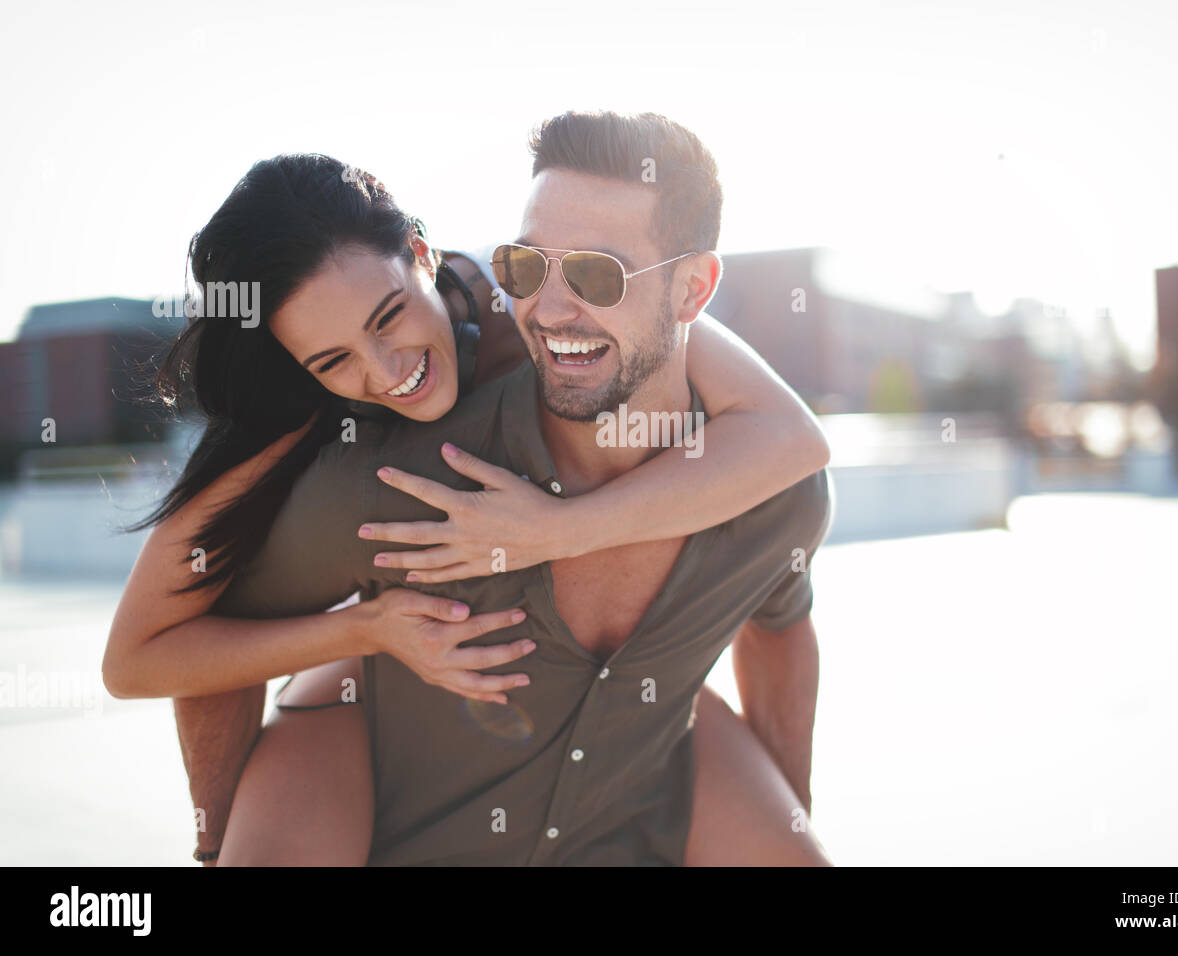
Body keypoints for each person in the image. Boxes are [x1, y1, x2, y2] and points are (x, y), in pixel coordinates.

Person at [105, 111, 833, 865]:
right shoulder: (322, 441)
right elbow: (171, 641)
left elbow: (788, 437)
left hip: (640, 721)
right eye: (335, 360)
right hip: (361, 697)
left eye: (389, 316)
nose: (387, 372)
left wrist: (560, 528)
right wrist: (222, 837)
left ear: (425, 257)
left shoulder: (517, 294)